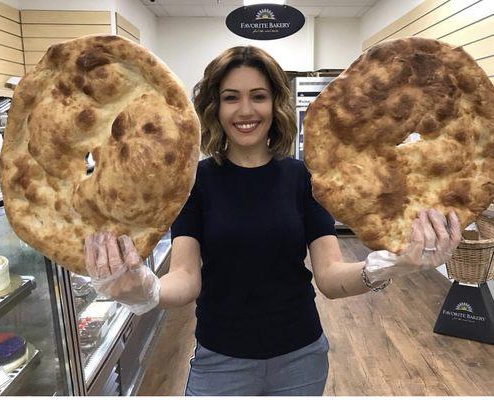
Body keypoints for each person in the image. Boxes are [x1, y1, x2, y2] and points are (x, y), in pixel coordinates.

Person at [84, 46, 461, 396]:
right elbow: (185, 278)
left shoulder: (304, 178)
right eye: (231, 97)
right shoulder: (194, 182)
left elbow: (330, 278)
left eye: (258, 96)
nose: (245, 110)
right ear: (215, 107)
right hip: (220, 361)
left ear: (275, 104)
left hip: (301, 357)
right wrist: (146, 292)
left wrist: (388, 266)